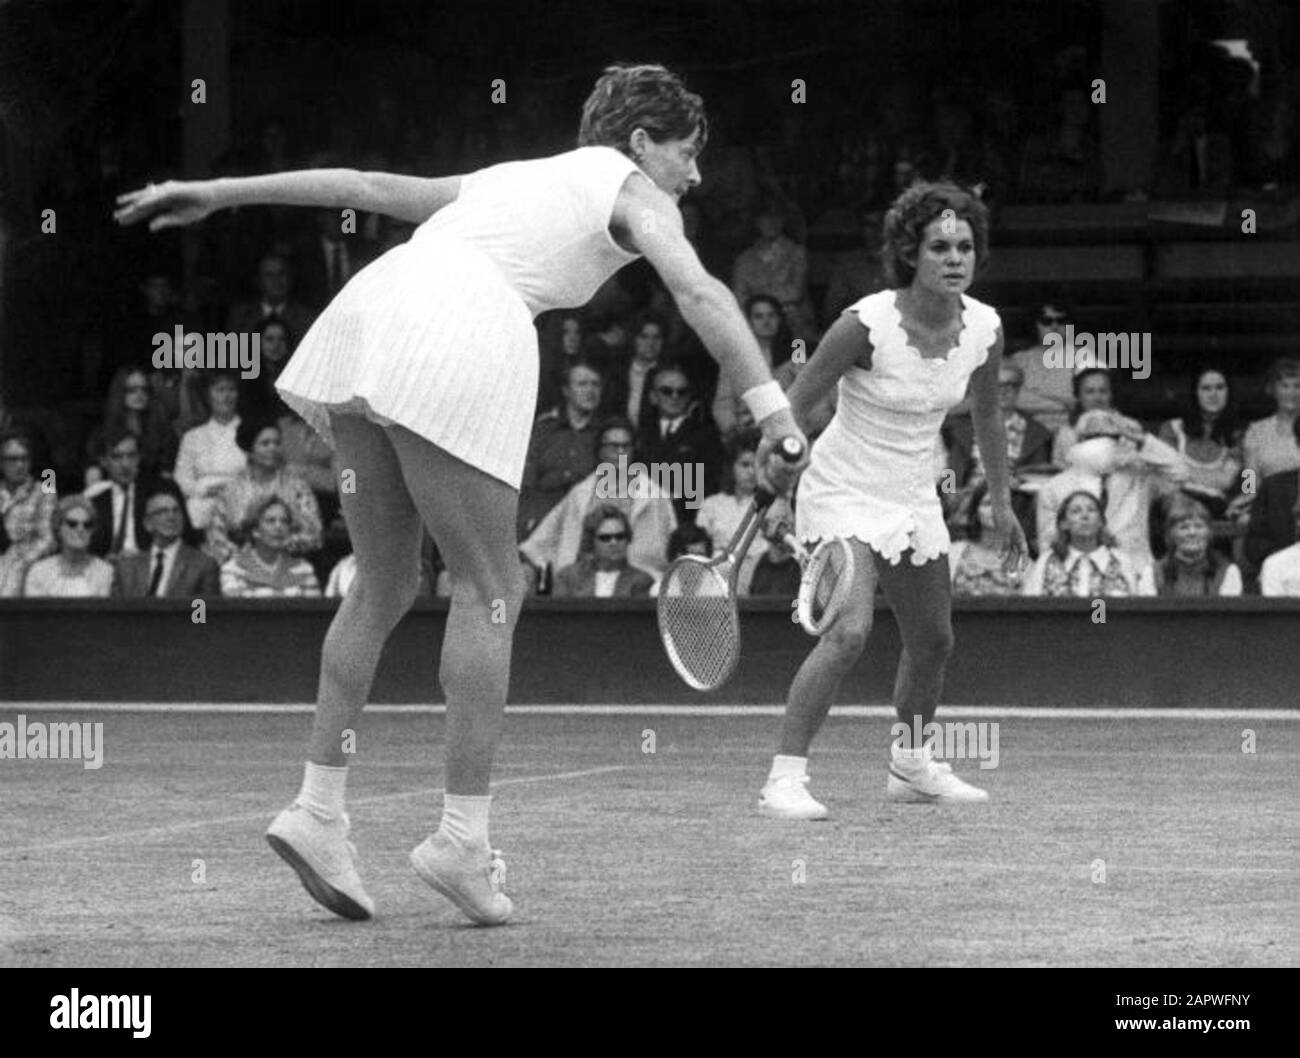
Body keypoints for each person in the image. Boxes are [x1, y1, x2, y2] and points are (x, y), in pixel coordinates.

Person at [117, 63, 807, 926]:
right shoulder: (632, 188)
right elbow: (701, 290)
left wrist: (217, 192)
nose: (694, 174)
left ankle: (318, 810)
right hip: (461, 330)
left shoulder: (509, 178)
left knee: (384, 581)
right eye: (688, 153)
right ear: (641, 142)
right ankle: (460, 842)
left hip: (371, 315)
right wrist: (778, 418)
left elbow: (361, 185)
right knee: (492, 589)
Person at [757, 181, 1026, 821]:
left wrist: (1003, 501)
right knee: (849, 631)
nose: (955, 257)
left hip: (913, 493)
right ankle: (784, 779)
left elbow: (987, 418)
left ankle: (910, 767)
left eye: (964, 246)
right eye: (940, 246)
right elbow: (792, 409)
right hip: (841, 489)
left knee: (933, 641)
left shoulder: (983, 327)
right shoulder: (864, 324)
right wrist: (776, 479)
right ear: (911, 253)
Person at [206, 417, 323, 565]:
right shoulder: (231, 490)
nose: (273, 448)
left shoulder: (297, 487)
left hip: (289, 566)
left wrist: (276, 546)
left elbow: (314, 534)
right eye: (265, 443)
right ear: (249, 449)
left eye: (277, 443)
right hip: (241, 567)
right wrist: (241, 560)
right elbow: (215, 536)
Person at [1021, 491, 1149, 597]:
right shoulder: (1046, 562)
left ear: (1101, 522)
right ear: (1063, 524)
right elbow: (1031, 608)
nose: (1085, 516)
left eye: (1091, 510)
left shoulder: (1121, 561)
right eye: (1076, 511)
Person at [112, 488, 222, 598]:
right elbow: (115, 612)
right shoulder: (126, 568)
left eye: (176, 511)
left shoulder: (203, 565)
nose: (171, 517)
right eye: (162, 512)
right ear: (148, 524)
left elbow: (201, 613)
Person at [174, 371, 246, 531]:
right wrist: (203, 490)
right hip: (201, 510)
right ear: (208, 396)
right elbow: (181, 478)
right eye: (220, 390)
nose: (226, 396)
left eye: (231, 389)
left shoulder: (249, 432)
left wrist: (231, 489)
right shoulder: (192, 437)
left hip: (243, 508)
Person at [219, 495, 322, 598]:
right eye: (271, 521)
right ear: (255, 531)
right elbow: (236, 611)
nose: (279, 527)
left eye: (284, 521)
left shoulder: (304, 569)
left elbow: (314, 611)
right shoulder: (234, 570)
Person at [0, 432, 58, 598]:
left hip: (28, 564)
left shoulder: (45, 488)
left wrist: (21, 562)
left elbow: (49, 539)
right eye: (12, 459)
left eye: (24, 459)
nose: (20, 465)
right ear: (1, 463)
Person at [552, 504, 654, 598]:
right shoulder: (568, 577)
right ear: (591, 541)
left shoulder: (642, 581)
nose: (614, 542)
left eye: (620, 536)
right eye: (605, 538)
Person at [21, 496, 115, 598]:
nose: (80, 529)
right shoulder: (39, 572)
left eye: (87, 525)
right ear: (58, 528)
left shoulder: (105, 572)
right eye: (72, 524)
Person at [1149, 495, 1242, 597]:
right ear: (1171, 534)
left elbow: (1250, 491)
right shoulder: (1153, 573)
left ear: (1209, 533)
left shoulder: (1227, 572)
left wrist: (1244, 504)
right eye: (1184, 528)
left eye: (1199, 526)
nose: (1192, 533)